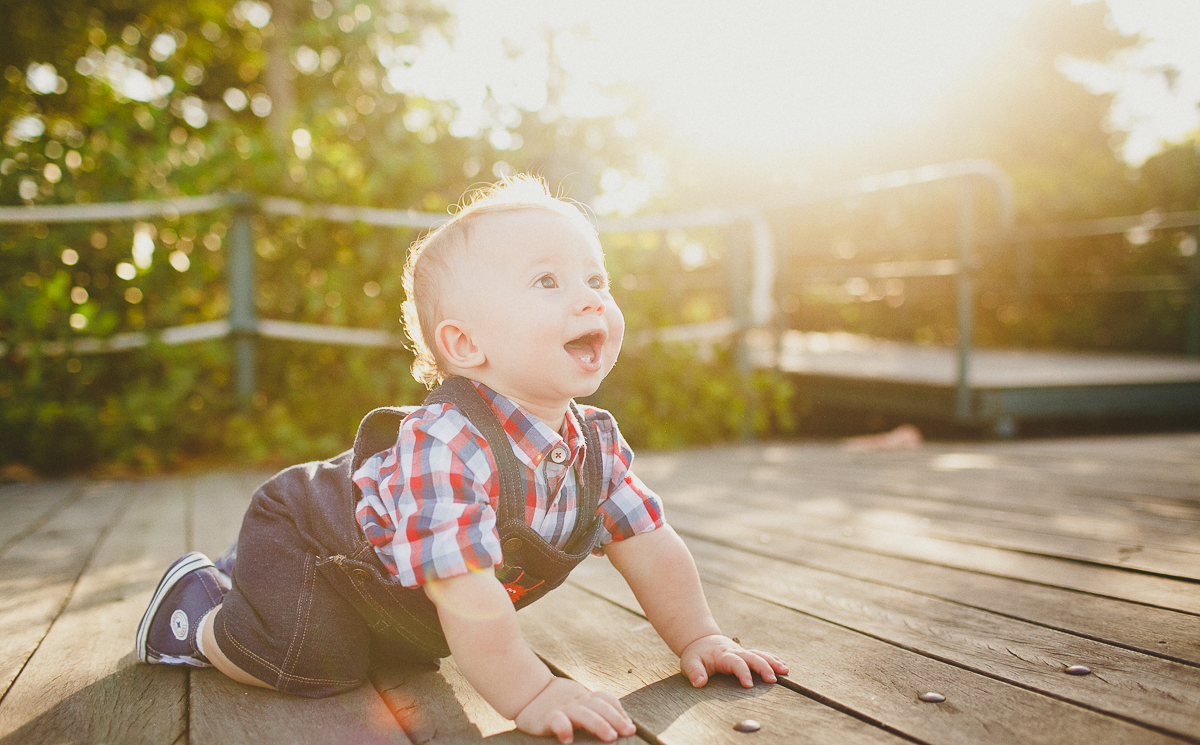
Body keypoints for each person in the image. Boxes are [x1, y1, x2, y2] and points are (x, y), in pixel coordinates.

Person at [136, 175, 787, 744]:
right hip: (309, 543)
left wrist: (700, 637)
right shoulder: (446, 443)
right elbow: (466, 592)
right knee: (315, 666)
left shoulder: (598, 444)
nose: (591, 298)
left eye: (596, 279)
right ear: (466, 344)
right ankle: (198, 615)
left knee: (406, 655)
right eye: (547, 281)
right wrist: (531, 693)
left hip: (392, 594)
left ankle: (249, 583)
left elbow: (649, 543)